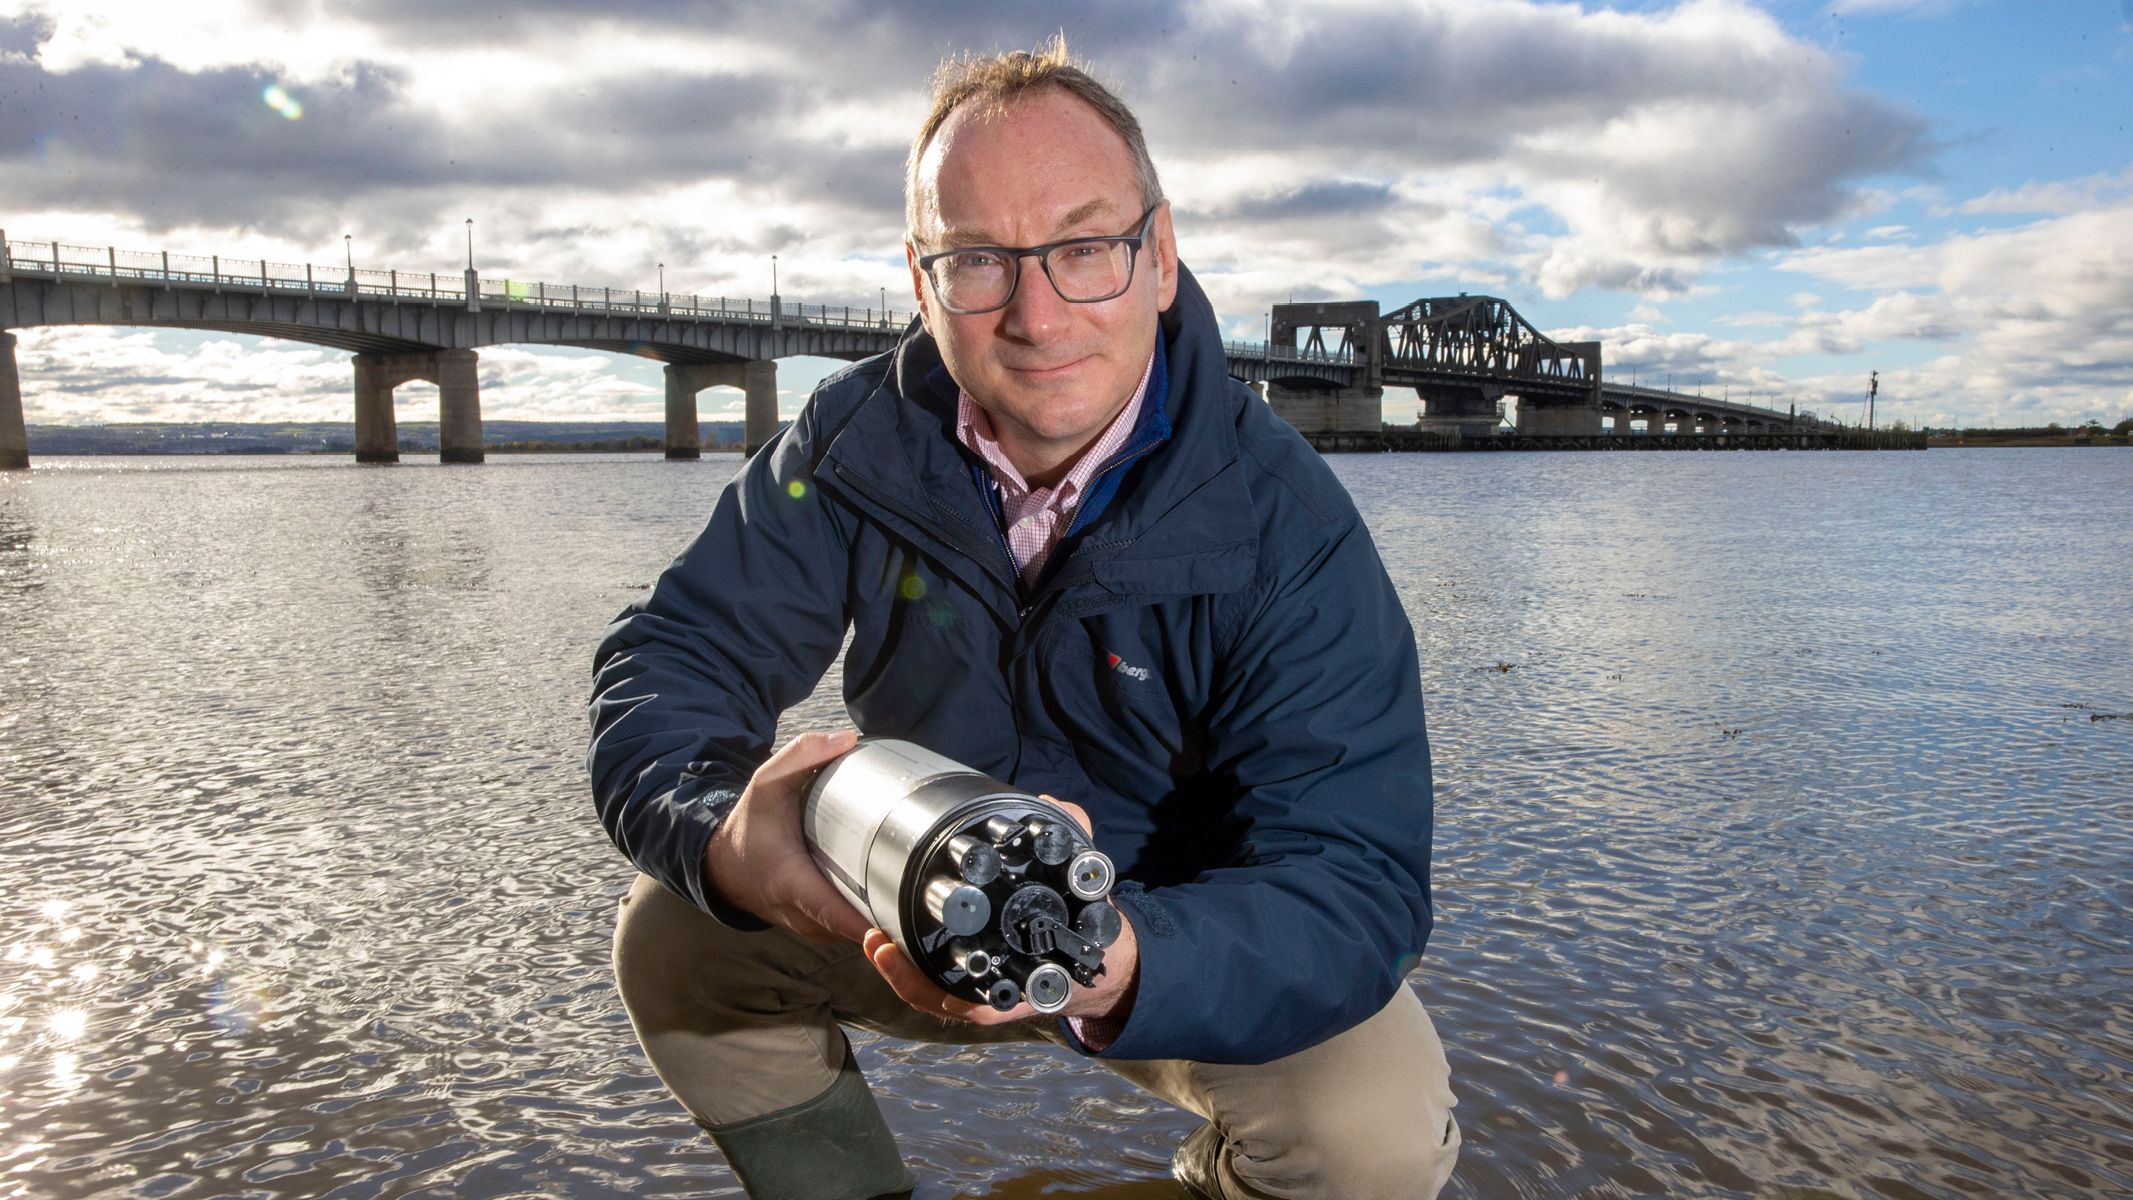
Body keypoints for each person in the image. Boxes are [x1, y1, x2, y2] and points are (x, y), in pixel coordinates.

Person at [587, 40, 1458, 1200]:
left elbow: (1358, 881)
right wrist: (721, 839)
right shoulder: (849, 447)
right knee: (673, 938)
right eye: (981, 260)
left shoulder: (1284, 519)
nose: (1038, 316)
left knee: (1376, 1139)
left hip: (1165, 934)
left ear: (1160, 258)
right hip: (902, 900)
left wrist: (1122, 957)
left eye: (1085, 249)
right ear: (921, 281)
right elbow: (675, 657)